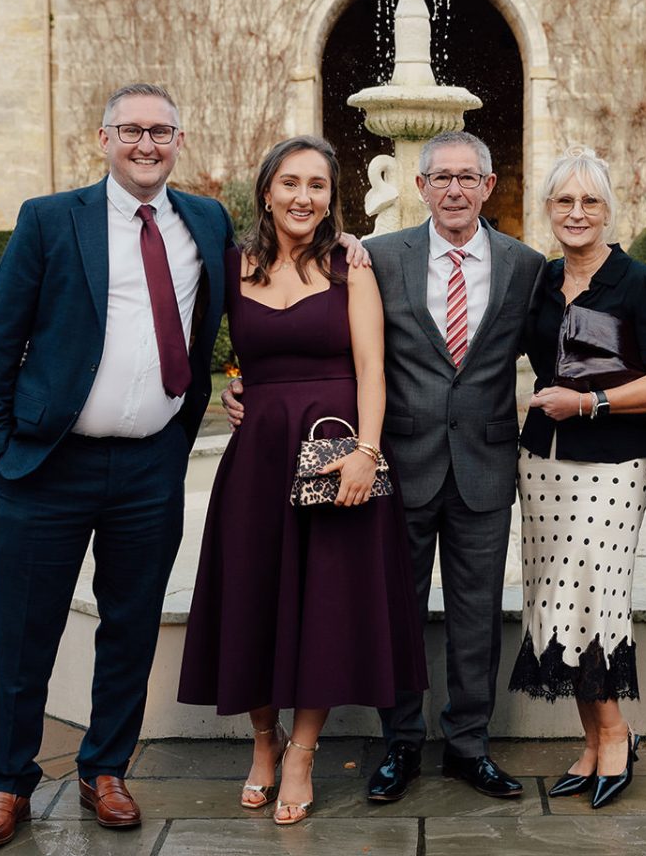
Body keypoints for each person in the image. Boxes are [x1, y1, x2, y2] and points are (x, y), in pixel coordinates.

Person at [224, 130, 545, 803]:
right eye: (440, 178)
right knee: (393, 608)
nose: (453, 189)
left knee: (478, 612)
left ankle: (468, 746)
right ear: (420, 186)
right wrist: (241, 383)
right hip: (398, 459)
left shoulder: (526, 264)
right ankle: (401, 743)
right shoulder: (376, 257)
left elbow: (554, 352)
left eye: (467, 177)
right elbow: (332, 345)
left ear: (488, 187)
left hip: (483, 465)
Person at [0, 83, 234, 848]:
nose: (146, 145)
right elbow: (1, 338)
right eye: (132, 131)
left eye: (161, 132)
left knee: (131, 628)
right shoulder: (52, 219)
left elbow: (262, 289)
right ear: (104, 137)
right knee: (24, 634)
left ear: (179, 140)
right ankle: (7, 781)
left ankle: (105, 769)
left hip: (151, 466)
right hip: (47, 465)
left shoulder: (207, 222)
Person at [177, 136, 427, 827]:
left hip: (333, 455)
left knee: (325, 607)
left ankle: (303, 753)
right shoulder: (233, 267)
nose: (302, 197)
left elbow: (373, 369)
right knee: (251, 596)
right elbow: (224, 356)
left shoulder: (352, 265)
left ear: (330, 197)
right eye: (290, 183)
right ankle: (265, 740)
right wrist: (234, 389)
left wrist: (368, 453)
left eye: (317, 185)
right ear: (266, 191)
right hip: (258, 457)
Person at [508, 147, 646, 809]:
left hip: (612, 463)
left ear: (609, 210)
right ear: (548, 209)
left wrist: (589, 402)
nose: (576, 213)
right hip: (542, 462)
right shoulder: (540, 283)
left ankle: (615, 733)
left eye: (589, 202)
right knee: (556, 600)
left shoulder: (639, 283)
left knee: (595, 598)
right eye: (564, 202)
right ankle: (590, 742)